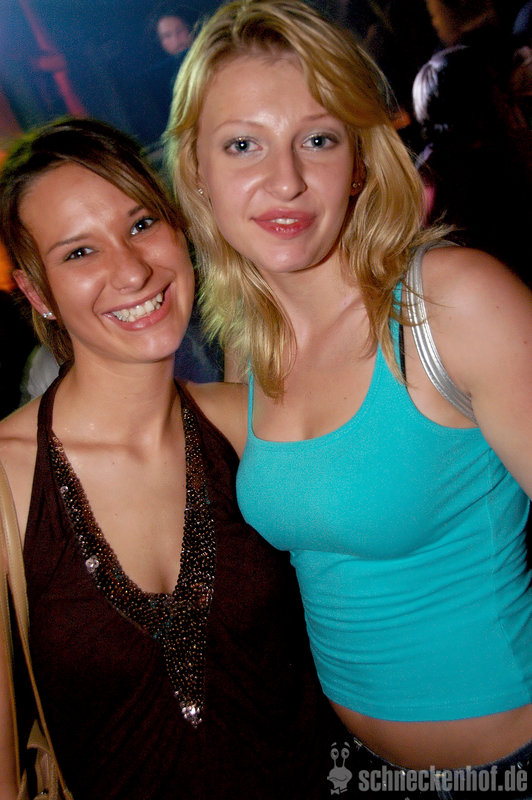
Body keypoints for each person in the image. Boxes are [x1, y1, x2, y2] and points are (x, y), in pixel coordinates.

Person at [166, 0, 532, 794]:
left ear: (361, 161)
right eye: (243, 145)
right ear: (197, 171)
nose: (286, 180)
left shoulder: (450, 305)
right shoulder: (251, 346)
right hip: (352, 767)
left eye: (319, 139)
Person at [0, 117, 342, 800]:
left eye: (141, 224)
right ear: (38, 294)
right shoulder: (8, 482)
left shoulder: (252, 423)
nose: (132, 270)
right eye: (79, 252)